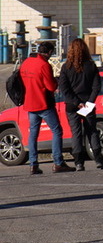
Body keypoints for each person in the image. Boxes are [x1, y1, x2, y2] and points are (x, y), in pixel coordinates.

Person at [23, 42, 73, 174]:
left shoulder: (27, 62)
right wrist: (56, 81)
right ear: (50, 52)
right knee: (56, 131)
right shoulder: (44, 65)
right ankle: (58, 162)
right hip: (43, 103)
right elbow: (51, 86)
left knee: (33, 133)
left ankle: (33, 164)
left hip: (30, 102)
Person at [58, 38, 103, 171]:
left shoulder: (66, 67)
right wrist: (89, 101)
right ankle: (98, 160)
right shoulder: (91, 65)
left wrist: (76, 102)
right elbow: (96, 86)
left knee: (76, 133)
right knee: (92, 131)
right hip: (88, 105)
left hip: (72, 105)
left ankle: (79, 162)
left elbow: (64, 88)